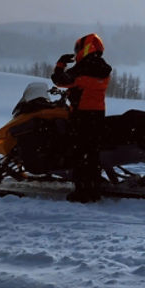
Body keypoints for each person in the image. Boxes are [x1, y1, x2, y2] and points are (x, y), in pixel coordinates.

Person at [51, 33, 112, 203]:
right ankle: (93, 189)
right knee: (92, 154)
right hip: (98, 114)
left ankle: (81, 192)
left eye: (77, 48)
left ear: (85, 48)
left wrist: (60, 63)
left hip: (81, 115)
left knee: (78, 153)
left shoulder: (83, 68)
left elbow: (60, 80)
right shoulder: (103, 68)